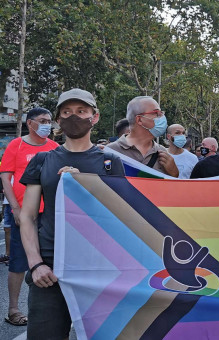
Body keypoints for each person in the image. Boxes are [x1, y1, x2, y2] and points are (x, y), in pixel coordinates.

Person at [19, 88, 125, 339]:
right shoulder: (43, 161)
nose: (73, 117)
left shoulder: (110, 162)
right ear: (58, 120)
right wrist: (35, 265)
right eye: (66, 112)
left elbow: (121, 216)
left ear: (94, 117)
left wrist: (85, 185)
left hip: (100, 270)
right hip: (50, 270)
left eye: (81, 111)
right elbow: (27, 216)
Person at [0, 108, 59, 326]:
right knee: (18, 262)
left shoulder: (55, 148)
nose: (47, 125)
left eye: (49, 121)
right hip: (23, 215)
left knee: (48, 262)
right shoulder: (16, 145)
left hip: (50, 215)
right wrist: (15, 209)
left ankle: (48, 310)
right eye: (42, 121)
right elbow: (6, 179)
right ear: (29, 123)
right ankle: (13, 309)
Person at [106, 96, 179, 177]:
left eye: (161, 113)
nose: (162, 117)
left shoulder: (163, 153)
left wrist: (174, 173)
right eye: (156, 113)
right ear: (139, 120)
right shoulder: (110, 151)